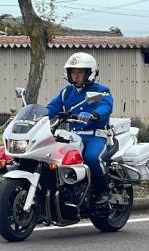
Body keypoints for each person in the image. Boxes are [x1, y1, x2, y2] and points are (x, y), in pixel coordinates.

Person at [47, 52, 113, 203]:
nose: (75, 76)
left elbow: (106, 106)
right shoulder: (66, 92)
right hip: (73, 136)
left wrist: (94, 114)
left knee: (91, 157)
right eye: (73, 72)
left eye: (80, 72)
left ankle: (104, 191)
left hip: (95, 136)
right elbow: (52, 108)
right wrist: (38, 115)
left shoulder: (101, 90)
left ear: (90, 73)